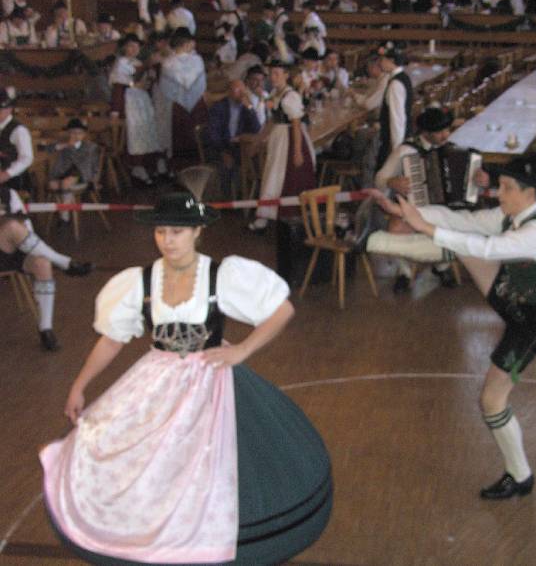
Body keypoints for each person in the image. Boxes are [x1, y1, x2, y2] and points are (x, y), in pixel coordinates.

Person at [39, 190, 332, 564]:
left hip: (210, 380)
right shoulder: (140, 281)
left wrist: (242, 350)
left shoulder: (221, 275)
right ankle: (144, 528)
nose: (168, 240)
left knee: (206, 461)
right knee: (126, 450)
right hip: (156, 378)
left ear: (197, 232)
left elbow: (281, 311)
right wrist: (79, 386)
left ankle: (201, 535)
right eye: (161, 231)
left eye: (177, 232)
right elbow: (112, 340)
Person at [370, 155, 536, 499]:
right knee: (462, 245)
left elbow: (488, 247)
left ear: (529, 193)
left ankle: (520, 476)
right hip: (517, 295)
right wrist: (410, 213)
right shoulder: (510, 215)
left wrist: (425, 227)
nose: (498, 193)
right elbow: (464, 220)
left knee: (491, 400)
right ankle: (374, 242)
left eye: (506, 188)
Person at [0, 89, 93, 351]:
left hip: (11, 248)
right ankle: (64, 261)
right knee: (10, 226)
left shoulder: (9, 192)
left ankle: (46, 329)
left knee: (41, 263)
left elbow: (25, 229)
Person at [371, 106, 464, 292]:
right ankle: (404, 272)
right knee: (395, 230)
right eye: (440, 132)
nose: (446, 135)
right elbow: (379, 178)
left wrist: (479, 179)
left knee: (455, 224)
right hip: (411, 208)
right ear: (426, 132)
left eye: (447, 130)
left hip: (443, 209)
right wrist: (391, 181)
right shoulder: (406, 150)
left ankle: (442, 266)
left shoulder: (451, 149)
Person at [250, 61, 316, 231]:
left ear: (286, 75)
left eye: (277, 74)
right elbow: (272, 121)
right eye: (271, 74)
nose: (273, 77)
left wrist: (297, 151)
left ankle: (282, 217)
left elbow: (296, 124)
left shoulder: (291, 96)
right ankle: (265, 216)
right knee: (271, 175)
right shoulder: (275, 94)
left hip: (289, 140)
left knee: (280, 177)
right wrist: (259, 140)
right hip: (278, 139)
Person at [109, 33, 167, 185]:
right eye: (130, 46)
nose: (134, 49)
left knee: (148, 130)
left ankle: (152, 165)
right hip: (130, 101)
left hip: (143, 100)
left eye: (136, 46)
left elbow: (148, 80)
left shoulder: (139, 62)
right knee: (135, 133)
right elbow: (119, 86)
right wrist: (115, 111)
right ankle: (136, 167)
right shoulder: (121, 63)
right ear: (124, 48)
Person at [159, 27, 208, 159]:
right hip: (196, 104)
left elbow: (165, 89)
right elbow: (201, 85)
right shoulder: (197, 60)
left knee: (179, 139)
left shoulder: (167, 62)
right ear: (187, 43)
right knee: (197, 139)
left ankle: (178, 167)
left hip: (176, 106)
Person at [208, 79, 261, 198]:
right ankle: (228, 200)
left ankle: (251, 197)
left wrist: (250, 108)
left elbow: (257, 129)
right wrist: (222, 152)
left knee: (258, 162)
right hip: (222, 147)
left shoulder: (245, 108)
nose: (241, 93)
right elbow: (213, 134)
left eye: (243, 90)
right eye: (237, 90)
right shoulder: (219, 107)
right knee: (227, 165)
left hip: (240, 147)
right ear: (229, 92)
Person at [47, 118, 101, 224]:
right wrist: (64, 145)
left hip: (83, 174)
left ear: (84, 134)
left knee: (66, 182)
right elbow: (47, 149)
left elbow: (82, 162)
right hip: (63, 173)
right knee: (53, 184)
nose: (76, 136)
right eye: (72, 133)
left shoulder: (90, 147)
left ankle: (64, 216)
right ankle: (65, 209)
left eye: (79, 133)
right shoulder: (64, 144)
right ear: (68, 133)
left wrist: (70, 147)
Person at [376, 42, 413, 171]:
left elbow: (397, 119)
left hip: (394, 143)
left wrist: (396, 151)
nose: (380, 63)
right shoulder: (402, 78)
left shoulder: (396, 84)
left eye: (382, 59)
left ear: (391, 60)